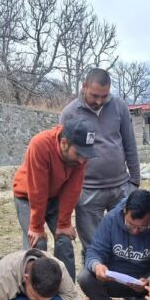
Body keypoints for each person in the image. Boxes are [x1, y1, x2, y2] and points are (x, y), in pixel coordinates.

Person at [60, 68, 141, 300]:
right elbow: (65, 154)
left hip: (120, 186)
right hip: (87, 191)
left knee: (128, 241)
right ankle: (95, 293)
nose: (98, 100)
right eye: (94, 95)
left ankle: (129, 289)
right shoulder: (69, 113)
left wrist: (134, 181)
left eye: (103, 96)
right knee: (93, 245)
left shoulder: (119, 107)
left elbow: (129, 143)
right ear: (84, 86)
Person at [12, 117, 98, 282]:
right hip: (27, 197)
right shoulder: (40, 145)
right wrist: (36, 227)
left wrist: (64, 224)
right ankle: (32, 291)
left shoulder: (81, 157)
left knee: (64, 241)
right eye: (78, 154)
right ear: (64, 143)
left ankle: (67, 294)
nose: (82, 160)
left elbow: (72, 189)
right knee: (38, 244)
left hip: (55, 197)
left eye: (86, 156)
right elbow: (37, 189)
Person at [78, 189, 150, 300]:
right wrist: (97, 265)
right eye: (130, 225)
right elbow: (94, 251)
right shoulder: (111, 219)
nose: (135, 231)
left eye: (141, 227)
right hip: (114, 279)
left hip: (145, 283)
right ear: (124, 211)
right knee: (85, 277)